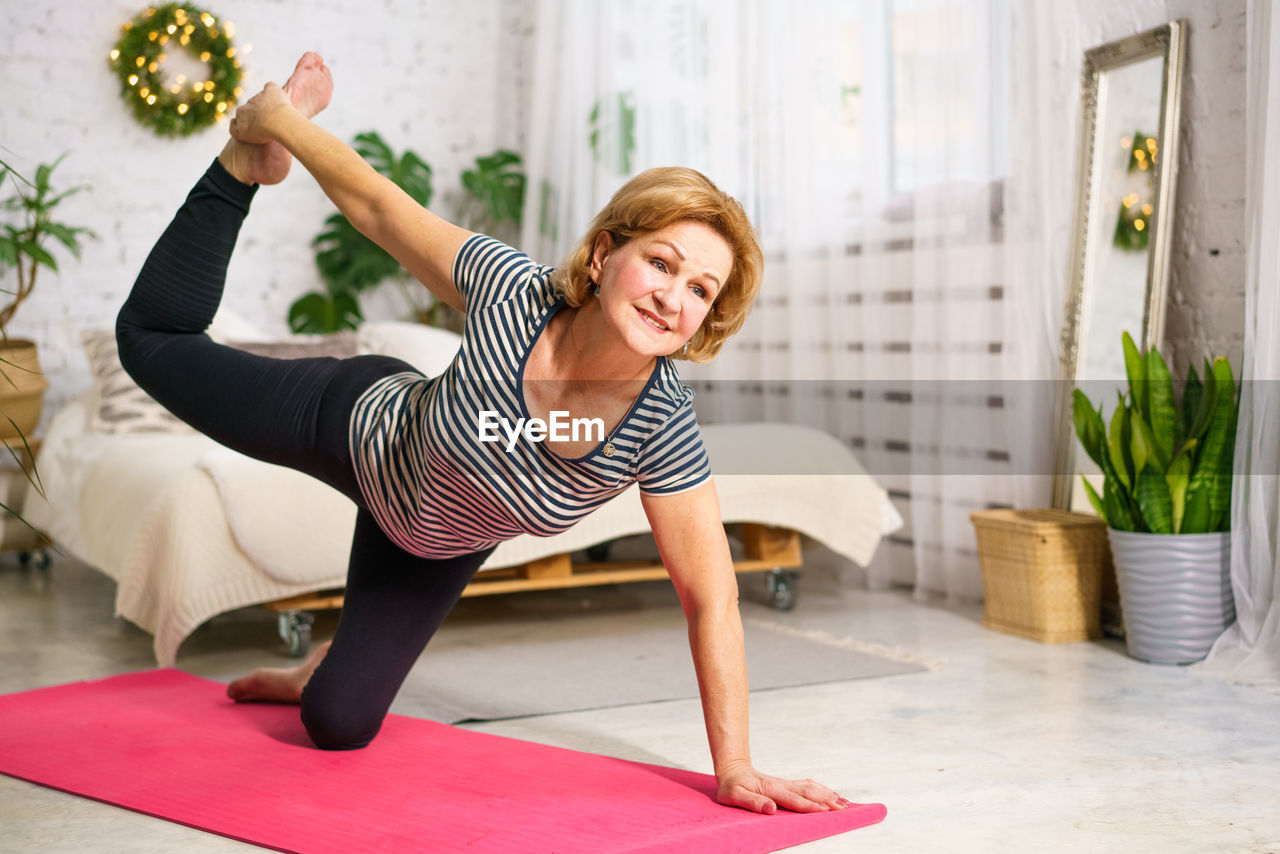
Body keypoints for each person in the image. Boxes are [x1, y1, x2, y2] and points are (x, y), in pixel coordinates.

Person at [117, 53, 851, 816]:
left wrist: (736, 766)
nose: (673, 297)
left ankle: (318, 672)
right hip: (357, 424)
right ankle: (240, 164)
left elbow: (712, 596)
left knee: (336, 725)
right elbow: (377, 209)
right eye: (660, 264)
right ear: (603, 257)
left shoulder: (659, 424)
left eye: (700, 290)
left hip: (430, 542)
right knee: (152, 342)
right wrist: (279, 126)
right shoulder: (513, 292)